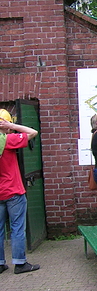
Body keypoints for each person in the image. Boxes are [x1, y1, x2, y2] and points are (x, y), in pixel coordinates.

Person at [0, 108, 40, 274]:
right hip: (13, 190)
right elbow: (33, 132)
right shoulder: (9, 139)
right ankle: (20, 263)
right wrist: (13, 125)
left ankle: (1, 263)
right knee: (17, 228)